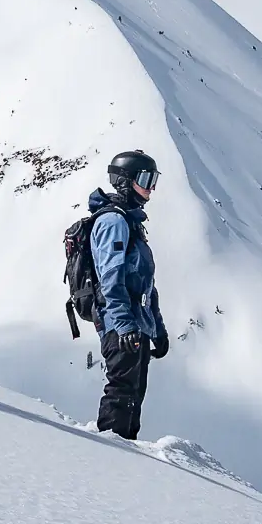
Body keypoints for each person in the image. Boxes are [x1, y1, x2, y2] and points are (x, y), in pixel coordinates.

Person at [90, 150, 168, 439]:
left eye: (154, 179)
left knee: (134, 396)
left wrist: (157, 329)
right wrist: (123, 324)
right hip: (119, 325)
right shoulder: (114, 222)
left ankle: (128, 463)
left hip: (136, 324)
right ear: (125, 180)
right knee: (121, 393)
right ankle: (111, 460)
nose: (151, 188)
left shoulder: (132, 222)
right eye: (145, 179)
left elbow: (146, 285)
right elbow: (111, 278)